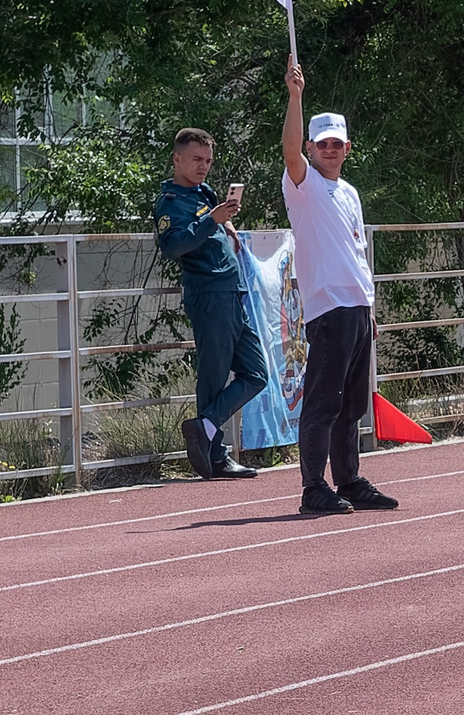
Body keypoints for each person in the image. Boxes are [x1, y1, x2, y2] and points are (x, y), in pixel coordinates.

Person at [280, 60, 396, 515]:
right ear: (311, 147)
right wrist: (294, 97)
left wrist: (371, 310)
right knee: (324, 401)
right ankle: (313, 487)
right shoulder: (303, 186)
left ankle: (347, 479)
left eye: (336, 143)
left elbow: (357, 254)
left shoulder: (348, 192)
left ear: (347, 147)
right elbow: (289, 152)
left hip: (357, 307)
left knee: (352, 405)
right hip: (328, 309)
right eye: (320, 143)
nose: (329, 149)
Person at [153, 129, 266, 481]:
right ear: (177, 159)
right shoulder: (170, 201)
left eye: (208, 161)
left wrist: (226, 220)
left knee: (257, 373)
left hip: (232, 289)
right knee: (214, 377)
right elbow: (172, 246)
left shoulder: (204, 192)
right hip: (208, 293)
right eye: (197, 160)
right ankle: (215, 454)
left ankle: (204, 428)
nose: (204, 167)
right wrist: (212, 220)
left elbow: (212, 218)